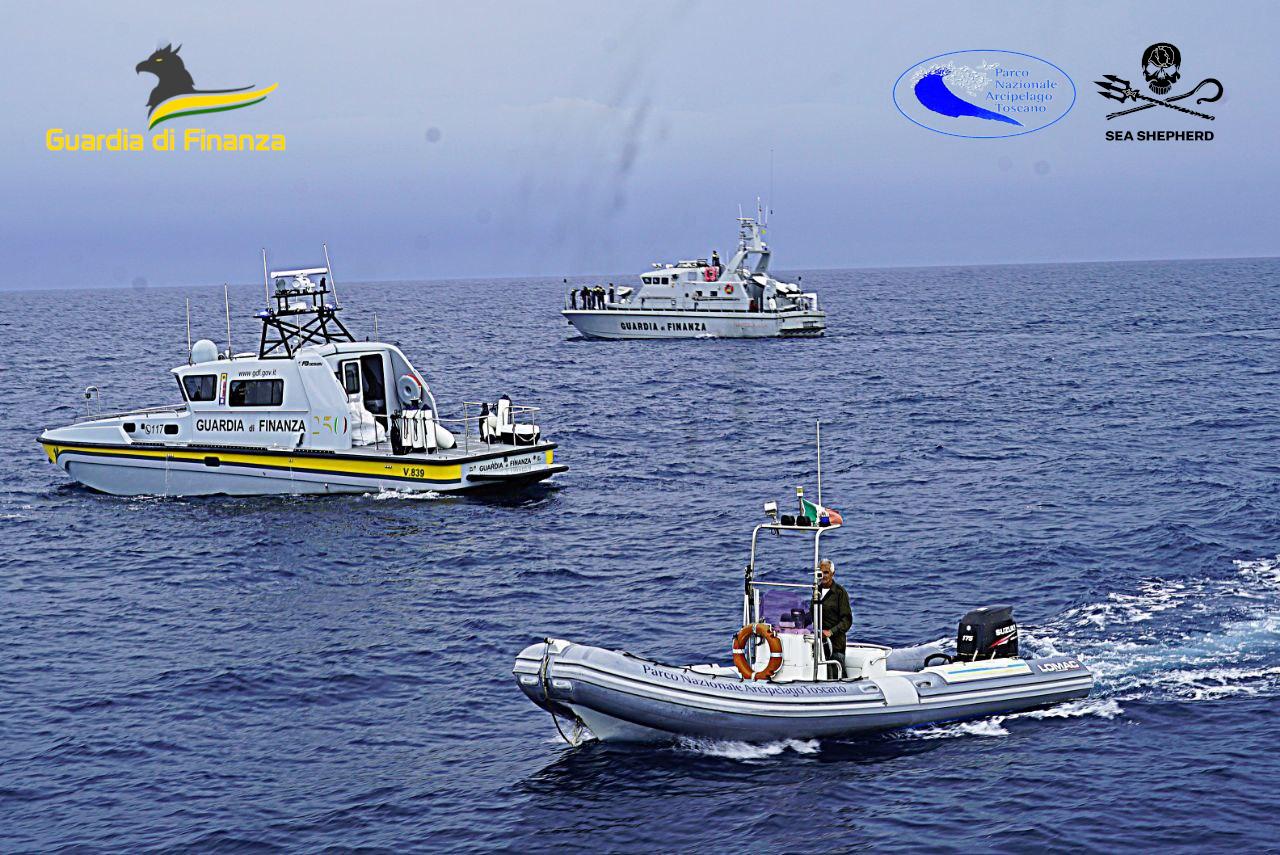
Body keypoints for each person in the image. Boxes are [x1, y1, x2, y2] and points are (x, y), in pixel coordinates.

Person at [815, 558, 852, 677]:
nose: (823, 576)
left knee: (837, 676)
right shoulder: (816, 591)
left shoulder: (840, 592)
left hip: (835, 646)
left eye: (826, 572)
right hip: (819, 645)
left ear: (833, 573)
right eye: (821, 572)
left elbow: (847, 620)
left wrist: (831, 632)